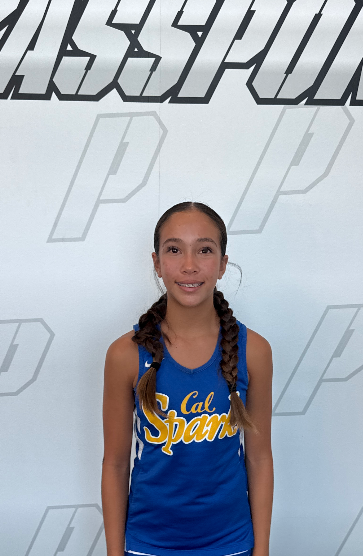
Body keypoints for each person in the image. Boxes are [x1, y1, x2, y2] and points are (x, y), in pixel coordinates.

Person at [101, 201, 274, 556]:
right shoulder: (124, 355)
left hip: (231, 544)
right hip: (148, 544)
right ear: (156, 263)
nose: (190, 265)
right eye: (174, 250)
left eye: (205, 250)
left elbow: (259, 459)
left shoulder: (253, 351)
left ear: (223, 264)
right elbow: (115, 464)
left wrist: (261, 551)